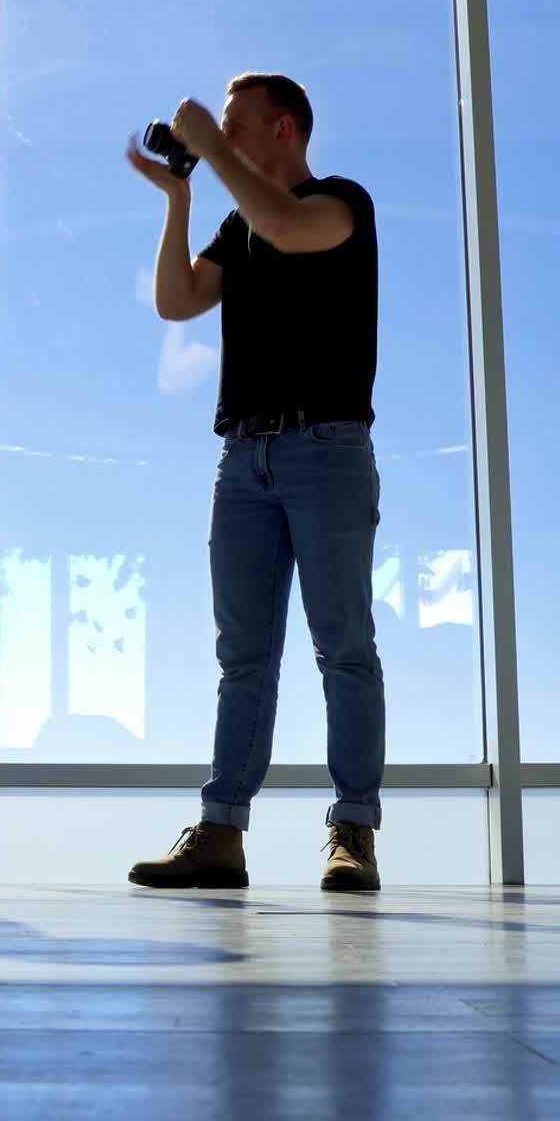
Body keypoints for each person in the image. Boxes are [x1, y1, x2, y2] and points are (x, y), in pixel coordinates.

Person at [124, 73, 385, 892]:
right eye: (220, 128)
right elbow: (175, 301)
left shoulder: (341, 204)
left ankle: (354, 832)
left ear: (285, 127)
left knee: (342, 648)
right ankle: (221, 834)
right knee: (244, 658)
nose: (224, 137)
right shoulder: (237, 226)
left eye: (237, 125)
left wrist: (208, 145)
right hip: (244, 460)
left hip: (328, 452)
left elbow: (283, 222)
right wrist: (177, 198)